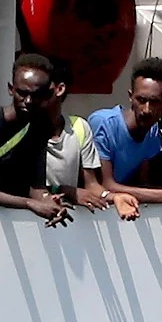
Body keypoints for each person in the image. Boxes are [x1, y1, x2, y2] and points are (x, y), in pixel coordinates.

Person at [91, 58, 162, 219]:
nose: (146, 109)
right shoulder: (103, 123)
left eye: (154, 102)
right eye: (141, 100)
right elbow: (106, 185)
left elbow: (143, 183)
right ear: (131, 97)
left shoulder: (153, 132)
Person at [0, 54, 72, 225]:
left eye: (36, 95)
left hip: (16, 220)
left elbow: (37, 187)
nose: (28, 101)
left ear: (47, 94)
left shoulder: (40, 125)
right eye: (22, 93)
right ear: (11, 89)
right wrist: (30, 204)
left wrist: (50, 203)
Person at [38, 58, 106, 210]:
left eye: (39, 86)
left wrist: (115, 197)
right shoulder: (20, 128)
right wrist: (66, 191)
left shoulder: (80, 127)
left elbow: (92, 185)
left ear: (59, 89)